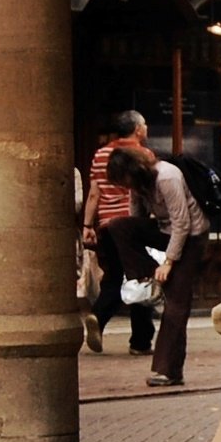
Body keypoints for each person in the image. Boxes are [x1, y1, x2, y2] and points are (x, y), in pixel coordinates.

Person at [102, 143, 209, 387]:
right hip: (164, 231)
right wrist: (142, 257)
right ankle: (149, 279)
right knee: (117, 226)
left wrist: (168, 263)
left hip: (190, 237)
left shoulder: (167, 176)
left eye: (125, 181)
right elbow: (136, 217)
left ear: (134, 171)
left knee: (176, 305)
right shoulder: (139, 185)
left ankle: (169, 371)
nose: (126, 187)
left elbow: (182, 223)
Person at [82, 110, 156, 355]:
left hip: (106, 225)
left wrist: (87, 225)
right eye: (144, 124)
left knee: (113, 277)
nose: (146, 128)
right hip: (132, 226)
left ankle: (98, 316)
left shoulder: (100, 154)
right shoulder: (143, 154)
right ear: (137, 129)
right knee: (141, 278)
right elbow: (146, 192)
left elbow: (94, 192)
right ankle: (140, 342)